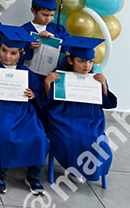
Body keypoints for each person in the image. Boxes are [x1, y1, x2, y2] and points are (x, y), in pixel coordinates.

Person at [0, 24, 48, 195]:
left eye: (13, 53)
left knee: (39, 137)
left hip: (23, 112)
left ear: (20, 54)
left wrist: (33, 95)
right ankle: (0, 173)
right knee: (2, 135)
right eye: (4, 50)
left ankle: (33, 176)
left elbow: (38, 93)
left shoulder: (27, 73)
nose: (7, 56)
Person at [44, 35, 117, 183]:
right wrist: (47, 83)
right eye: (81, 61)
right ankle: (74, 169)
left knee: (96, 142)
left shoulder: (96, 79)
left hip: (90, 120)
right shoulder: (59, 77)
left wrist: (103, 85)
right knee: (68, 138)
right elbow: (48, 102)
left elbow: (107, 104)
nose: (87, 66)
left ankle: (89, 170)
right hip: (63, 118)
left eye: (90, 62)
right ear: (71, 61)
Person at [20, 0, 69, 69]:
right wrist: (28, 46)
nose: (48, 19)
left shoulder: (58, 29)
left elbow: (68, 47)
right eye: (45, 15)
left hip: (52, 72)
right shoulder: (23, 30)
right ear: (33, 10)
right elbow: (15, 51)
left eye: (52, 15)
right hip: (29, 72)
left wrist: (55, 37)